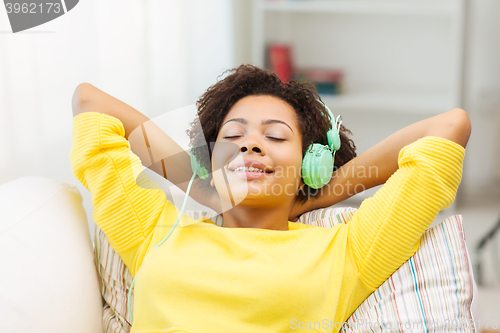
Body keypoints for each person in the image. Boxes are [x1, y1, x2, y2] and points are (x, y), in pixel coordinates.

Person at [69, 64, 470, 332]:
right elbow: (90, 102)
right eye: (233, 136)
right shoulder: (156, 231)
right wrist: (211, 188)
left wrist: (315, 195)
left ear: (310, 163)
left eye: (275, 136)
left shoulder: (346, 250)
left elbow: (448, 128)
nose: (251, 146)